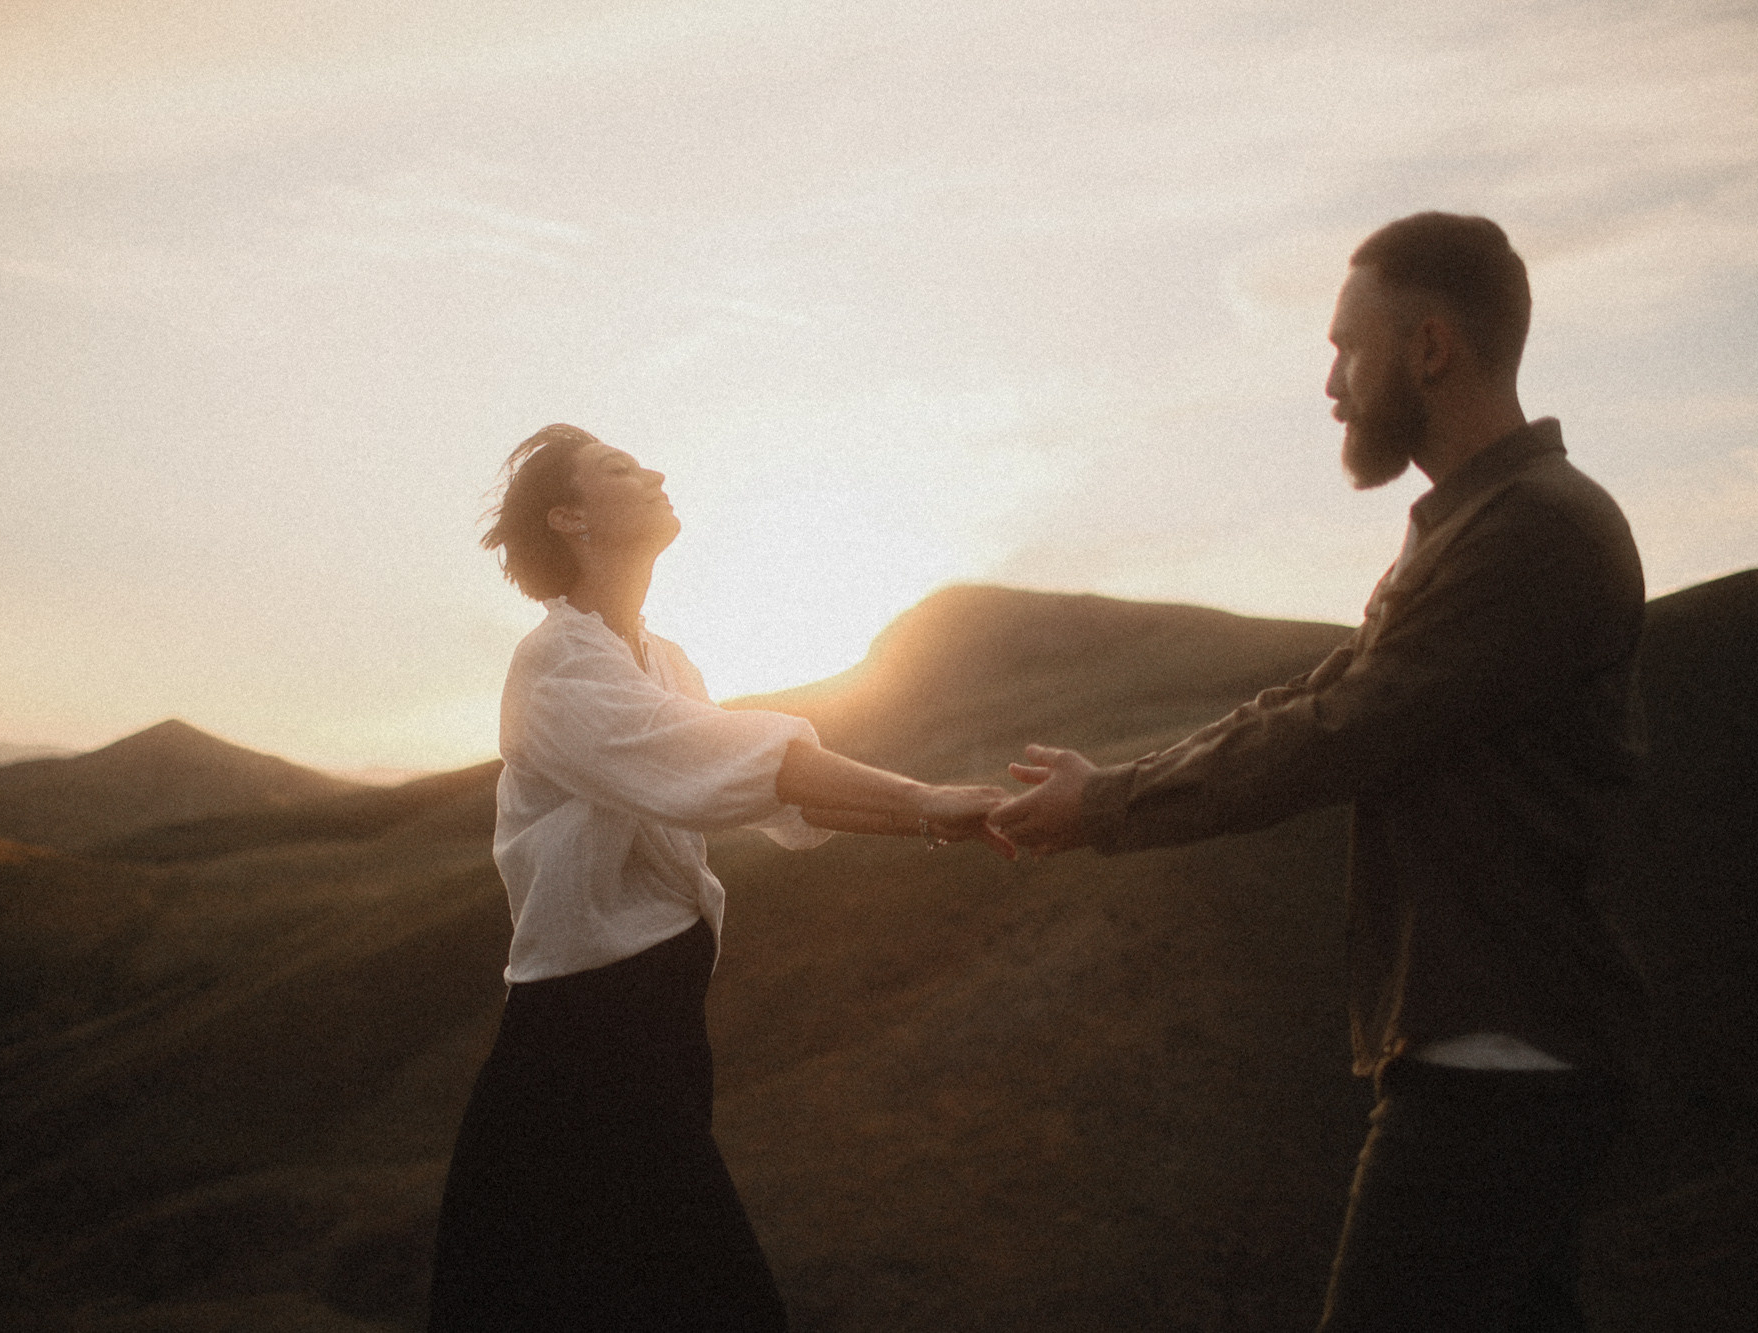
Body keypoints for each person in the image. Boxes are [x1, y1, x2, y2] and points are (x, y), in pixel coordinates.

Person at [990, 213, 1646, 1331]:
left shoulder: (1533, 532)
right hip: (1497, 1047)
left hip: (1498, 1056)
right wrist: (1107, 788)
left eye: (1346, 346)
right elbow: (1314, 698)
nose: (1330, 383)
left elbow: (1338, 729)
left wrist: (1107, 805)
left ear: (1428, 348)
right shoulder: (1472, 527)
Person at [426, 423, 1011, 1333]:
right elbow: (749, 761)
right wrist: (928, 797)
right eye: (619, 468)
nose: (655, 470)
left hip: (655, 1048)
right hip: (573, 1065)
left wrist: (937, 820)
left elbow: (780, 802)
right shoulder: (555, 667)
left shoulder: (666, 664)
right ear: (570, 516)